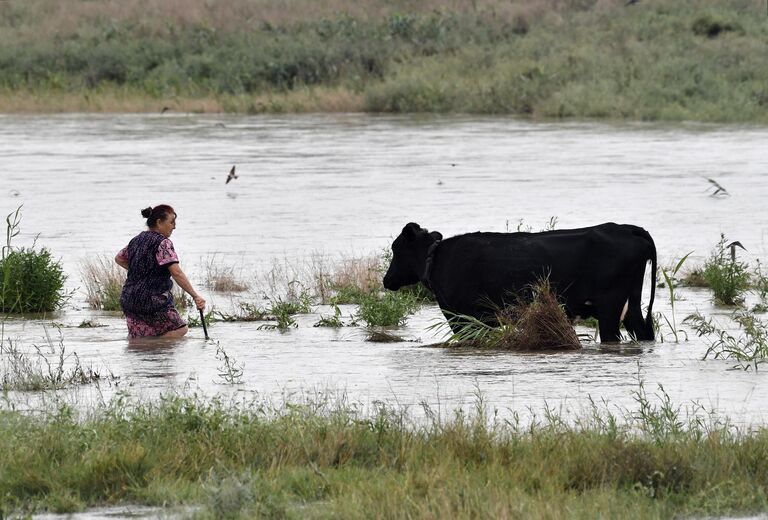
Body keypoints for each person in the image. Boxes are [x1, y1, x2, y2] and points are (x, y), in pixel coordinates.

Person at [115, 205, 205, 338]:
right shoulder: (163, 243)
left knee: (138, 336)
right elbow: (176, 273)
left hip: (129, 298)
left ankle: (141, 353)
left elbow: (119, 258)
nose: (174, 227)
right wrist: (195, 296)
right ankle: (153, 345)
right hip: (152, 299)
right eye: (171, 222)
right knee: (180, 329)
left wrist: (142, 272)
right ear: (159, 222)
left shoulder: (136, 240)